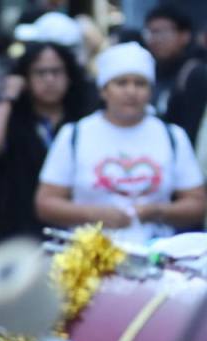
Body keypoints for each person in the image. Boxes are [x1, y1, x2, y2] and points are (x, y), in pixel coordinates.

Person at [35, 42, 207, 246]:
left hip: (156, 259)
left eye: (140, 83)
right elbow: (45, 202)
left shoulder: (172, 136)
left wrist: (159, 211)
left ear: (150, 91)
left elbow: (197, 202)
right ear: (104, 90)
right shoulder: (75, 134)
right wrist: (94, 214)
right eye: (121, 83)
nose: (131, 91)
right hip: (87, 260)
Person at [0, 42, 89, 243]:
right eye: (40, 73)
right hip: (20, 236)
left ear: (69, 76)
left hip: (76, 233)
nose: (49, 80)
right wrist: (9, 96)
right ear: (26, 78)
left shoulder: (83, 121)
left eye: (56, 72)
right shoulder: (12, 119)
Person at [143, 4, 207, 142]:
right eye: (150, 32)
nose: (155, 39)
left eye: (162, 32)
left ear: (184, 36)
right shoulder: (148, 71)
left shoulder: (195, 74)